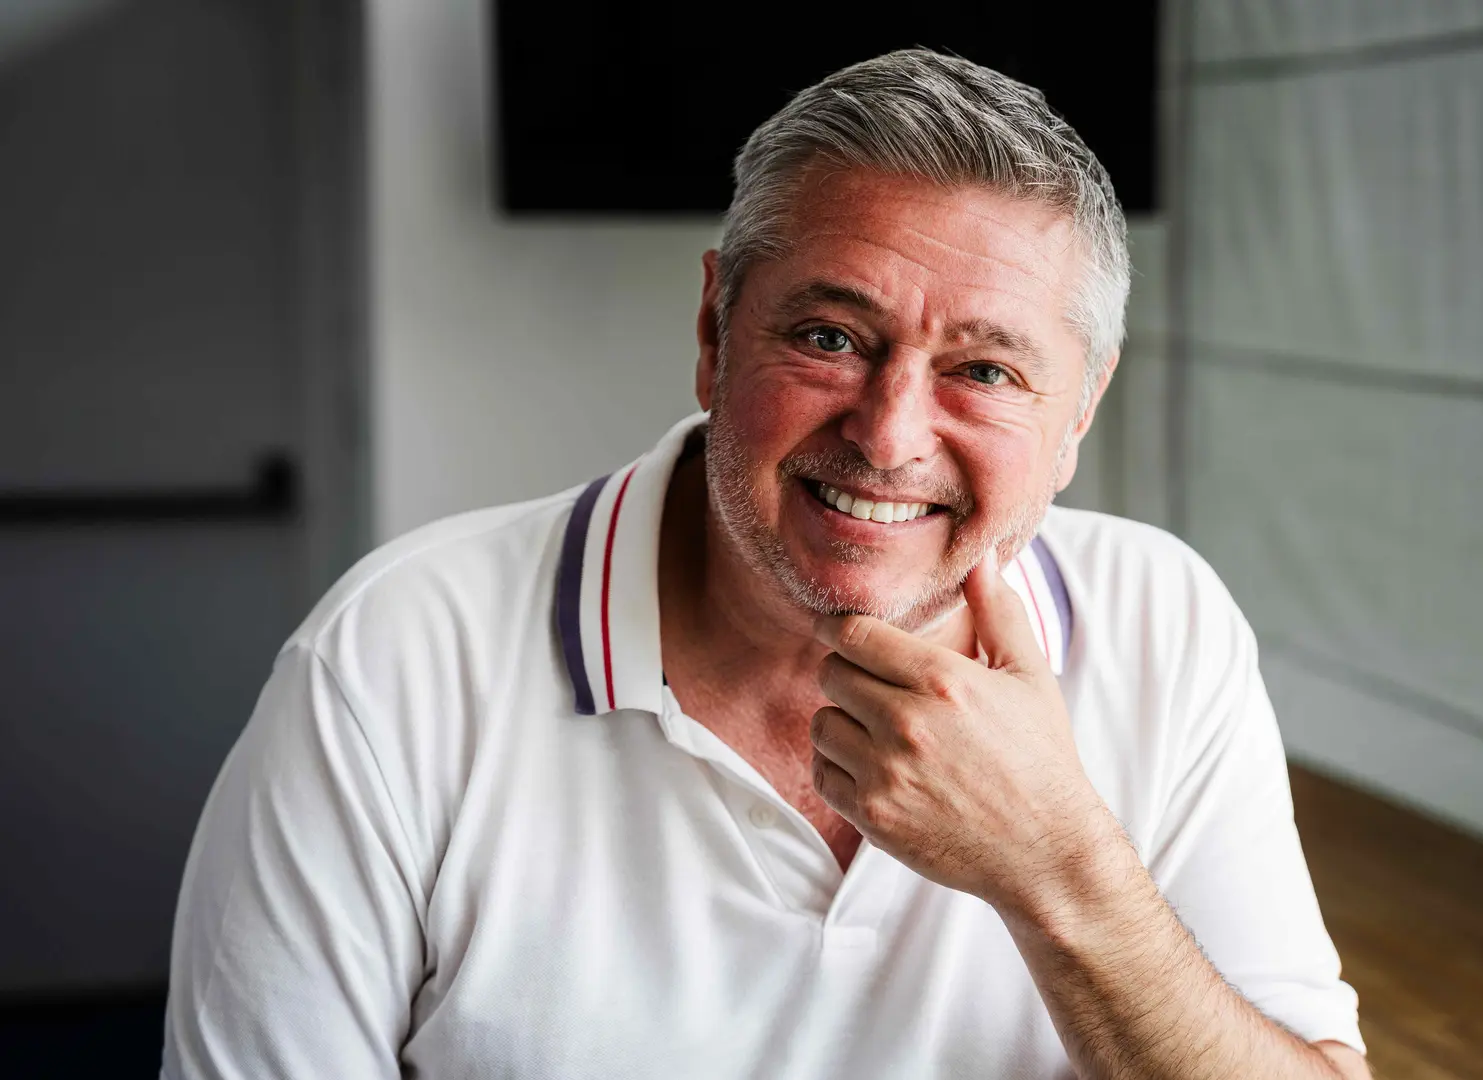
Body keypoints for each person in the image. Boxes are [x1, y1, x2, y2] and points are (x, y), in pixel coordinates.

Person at [163, 49, 1370, 1080]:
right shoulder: (391, 659)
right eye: (828, 337)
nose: (890, 435)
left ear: (1080, 412)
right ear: (713, 334)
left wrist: (1059, 870)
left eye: (985, 370)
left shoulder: (1166, 622)